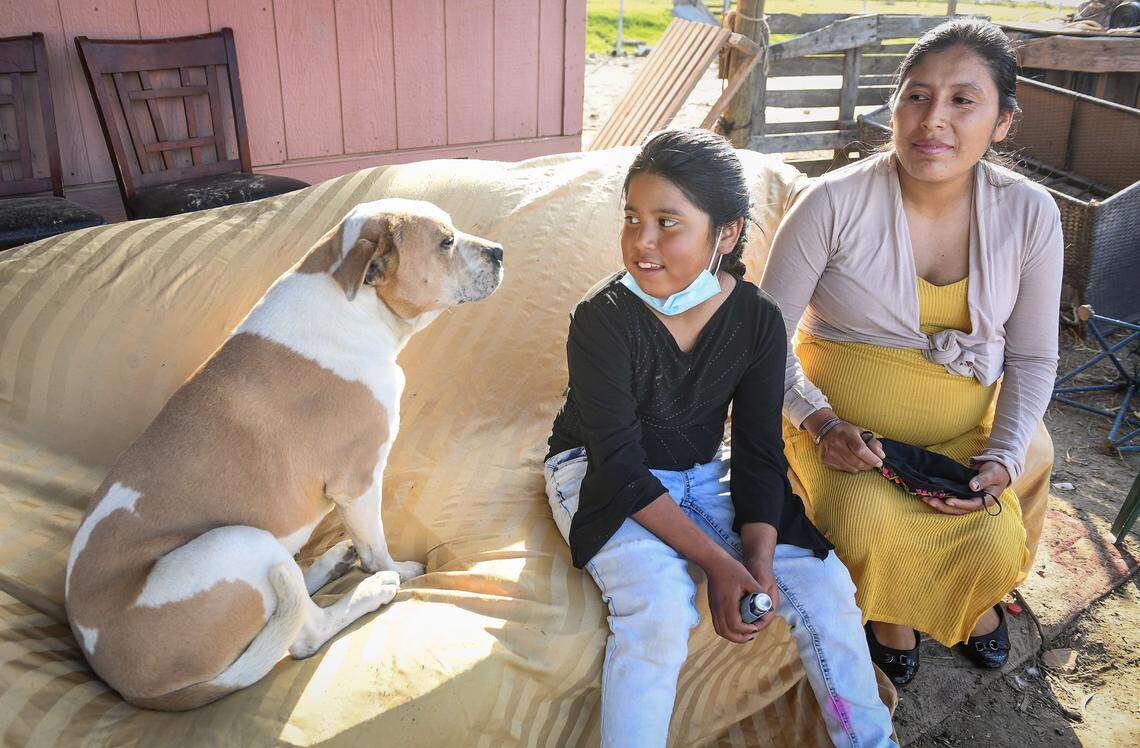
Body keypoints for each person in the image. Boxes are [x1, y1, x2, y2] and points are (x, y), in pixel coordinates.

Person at [543, 128, 897, 748]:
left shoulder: (757, 320)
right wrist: (717, 562)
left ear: (725, 233)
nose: (641, 243)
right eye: (632, 218)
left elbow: (760, 451)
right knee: (656, 612)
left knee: (827, 585)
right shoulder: (602, 318)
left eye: (667, 222)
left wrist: (756, 561)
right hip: (596, 470)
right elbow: (620, 467)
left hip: (704, 470)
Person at [760, 19, 1063, 686]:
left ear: (1003, 123)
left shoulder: (1031, 213)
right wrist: (818, 421)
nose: (934, 121)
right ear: (893, 107)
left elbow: (1037, 357)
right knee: (865, 520)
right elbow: (760, 340)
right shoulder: (830, 203)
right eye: (917, 96)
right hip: (845, 434)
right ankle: (890, 618)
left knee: (988, 532)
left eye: (963, 100)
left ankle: (970, 602)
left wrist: (1003, 455)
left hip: (962, 432)